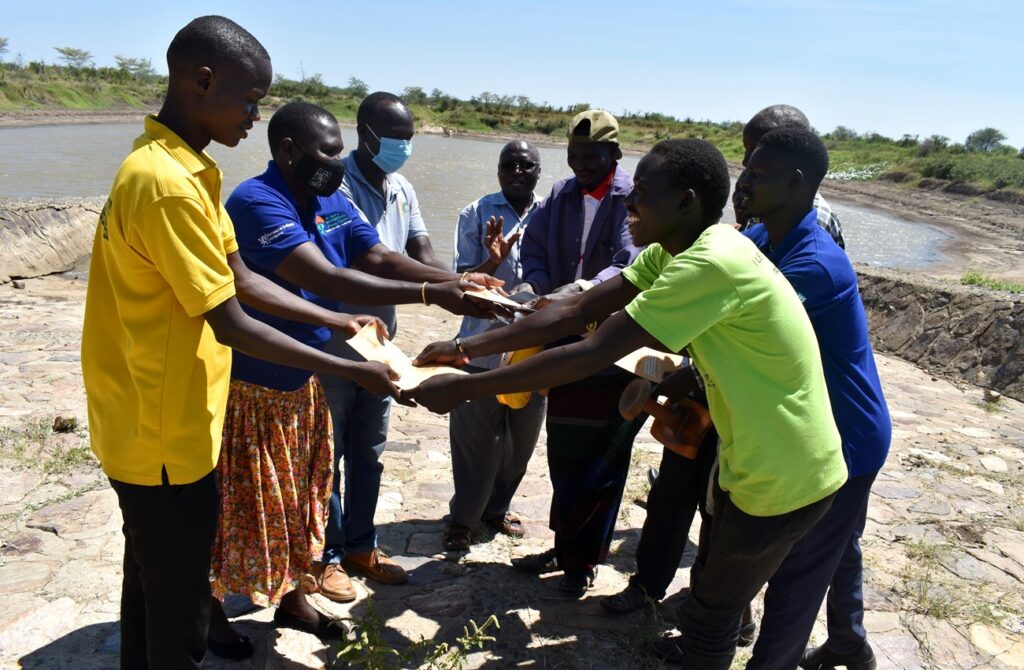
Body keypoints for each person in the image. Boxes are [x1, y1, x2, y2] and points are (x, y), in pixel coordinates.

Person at [407, 138, 847, 669]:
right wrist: (464, 349)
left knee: (709, 616)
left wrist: (464, 387)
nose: (627, 203)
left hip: (786, 471)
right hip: (755, 459)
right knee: (713, 599)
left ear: (684, 201)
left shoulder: (710, 263)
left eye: (641, 193)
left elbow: (594, 348)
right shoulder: (673, 249)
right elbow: (577, 310)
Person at [80, 17, 400, 669]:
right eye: (249, 98)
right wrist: (350, 366)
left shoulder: (183, 169)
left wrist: (341, 324)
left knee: (150, 590)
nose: (256, 115)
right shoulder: (168, 185)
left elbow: (242, 276)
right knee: (178, 617)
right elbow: (230, 320)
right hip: (160, 434)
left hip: (157, 422)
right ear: (202, 81)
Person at [208, 101, 497, 652]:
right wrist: (430, 294)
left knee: (304, 497)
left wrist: (459, 281)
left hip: (306, 382)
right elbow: (324, 273)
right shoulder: (255, 201)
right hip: (257, 383)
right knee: (239, 502)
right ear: (288, 150)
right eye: (327, 152)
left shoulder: (331, 198)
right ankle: (211, 605)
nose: (337, 163)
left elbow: (380, 258)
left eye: (341, 152)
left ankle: (293, 597)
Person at [318, 91, 501, 592]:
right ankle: (328, 557)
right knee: (327, 456)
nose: (402, 147)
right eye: (394, 139)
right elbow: (370, 260)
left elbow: (421, 251)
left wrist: (462, 281)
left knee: (369, 451)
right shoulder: (336, 188)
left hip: (381, 344)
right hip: (334, 344)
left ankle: (360, 545)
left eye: (408, 139)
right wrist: (439, 292)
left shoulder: (401, 188)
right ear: (364, 134)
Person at [736, 127, 891, 670]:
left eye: (757, 173)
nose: (745, 180)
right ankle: (849, 641)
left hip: (845, 437)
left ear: (796, 182)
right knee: (835, 545)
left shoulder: (814, 265)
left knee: (798, 572)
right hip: (816, 423)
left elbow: (734, 325)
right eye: (744, 169)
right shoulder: (764, 238)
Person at [498, 110, 641, 597]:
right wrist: (536, 285)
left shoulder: (633, 198)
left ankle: (585, 561)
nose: (580, 165)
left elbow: (630, 262)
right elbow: (534, 248)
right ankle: (564, 547)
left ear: (615, 155)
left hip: (612, 345)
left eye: (591, 157)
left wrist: (583, 291)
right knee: (564, 450)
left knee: (603, 459)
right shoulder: (560, 195)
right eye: (574, 156)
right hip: (564, 339)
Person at [444, 140, 546, 550]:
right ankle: (462, 520)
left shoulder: (551, 212)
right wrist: (491, 260)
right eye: (509, 165)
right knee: (474, 440)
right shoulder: (476, 212)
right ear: (498, 169)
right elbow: (457, 283)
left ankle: (496, 510)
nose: (517, 172)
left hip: (534, 348)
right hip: (482, 343)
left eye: (526, 165)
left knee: (520, 442)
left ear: (539, 170)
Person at [734, 104, 846, 249]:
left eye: (756, 151)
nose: (745, 161)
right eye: (746, 149)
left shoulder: (815, 220)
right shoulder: (771, 202)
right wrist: (743, 217)